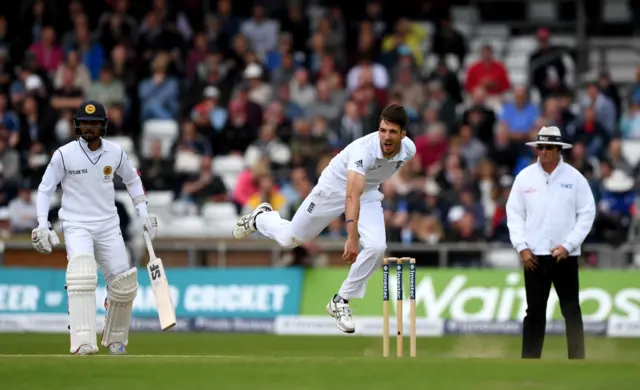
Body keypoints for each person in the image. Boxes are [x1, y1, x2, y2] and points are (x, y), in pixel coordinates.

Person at [232, 104, 416, 333]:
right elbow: (350, 194)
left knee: (378, 246)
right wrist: (351, 237)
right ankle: (261, 218)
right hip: (334, 187)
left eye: (392, 132)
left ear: (403, 135)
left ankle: (341, 301)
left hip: (367, 192)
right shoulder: (364, 150)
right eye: (383, 130)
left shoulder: (409, 150)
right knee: (291, 239)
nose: (386, 137)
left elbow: (367, 187)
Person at [31, 100, 158, 356]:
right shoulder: (64, 154)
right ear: (77, 125)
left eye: (94, 123)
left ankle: (116, 340)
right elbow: (46, 189)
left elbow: (133, 181)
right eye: (85, 123)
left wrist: (143, 212)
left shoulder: (115, 152)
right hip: (76, 224)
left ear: (103, 126)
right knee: (82, 275)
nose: (89, 128)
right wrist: (42, 223)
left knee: (123, 283)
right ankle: (82, 341)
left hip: (109, 224)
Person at [506, 126, 596, 360]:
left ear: (558, 150)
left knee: (571, 310)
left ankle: (577, 361)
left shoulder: (574, 178)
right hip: (534, 255)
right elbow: (514, 214)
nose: (543, 152)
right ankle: (530, 362)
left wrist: (569, 245)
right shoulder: (525, 177)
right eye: (541, 147)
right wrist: (522, 247)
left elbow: (587, 213)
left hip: (564, 255)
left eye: (548, 147)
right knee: (534, 312)